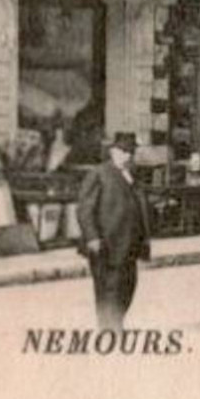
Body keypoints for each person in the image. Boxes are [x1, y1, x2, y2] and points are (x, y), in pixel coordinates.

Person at [76, 132, 153, 331]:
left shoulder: (132, 176)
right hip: (106, 244)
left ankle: (114, 325)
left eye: (131, 152)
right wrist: (92, 236)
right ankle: (110, 330)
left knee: (128, 287)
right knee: (108, 290)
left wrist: (144, 238)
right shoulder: (99, 173)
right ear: (113, 151)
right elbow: (85, 208)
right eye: (123, 151)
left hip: (130, 245)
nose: (127, 156)